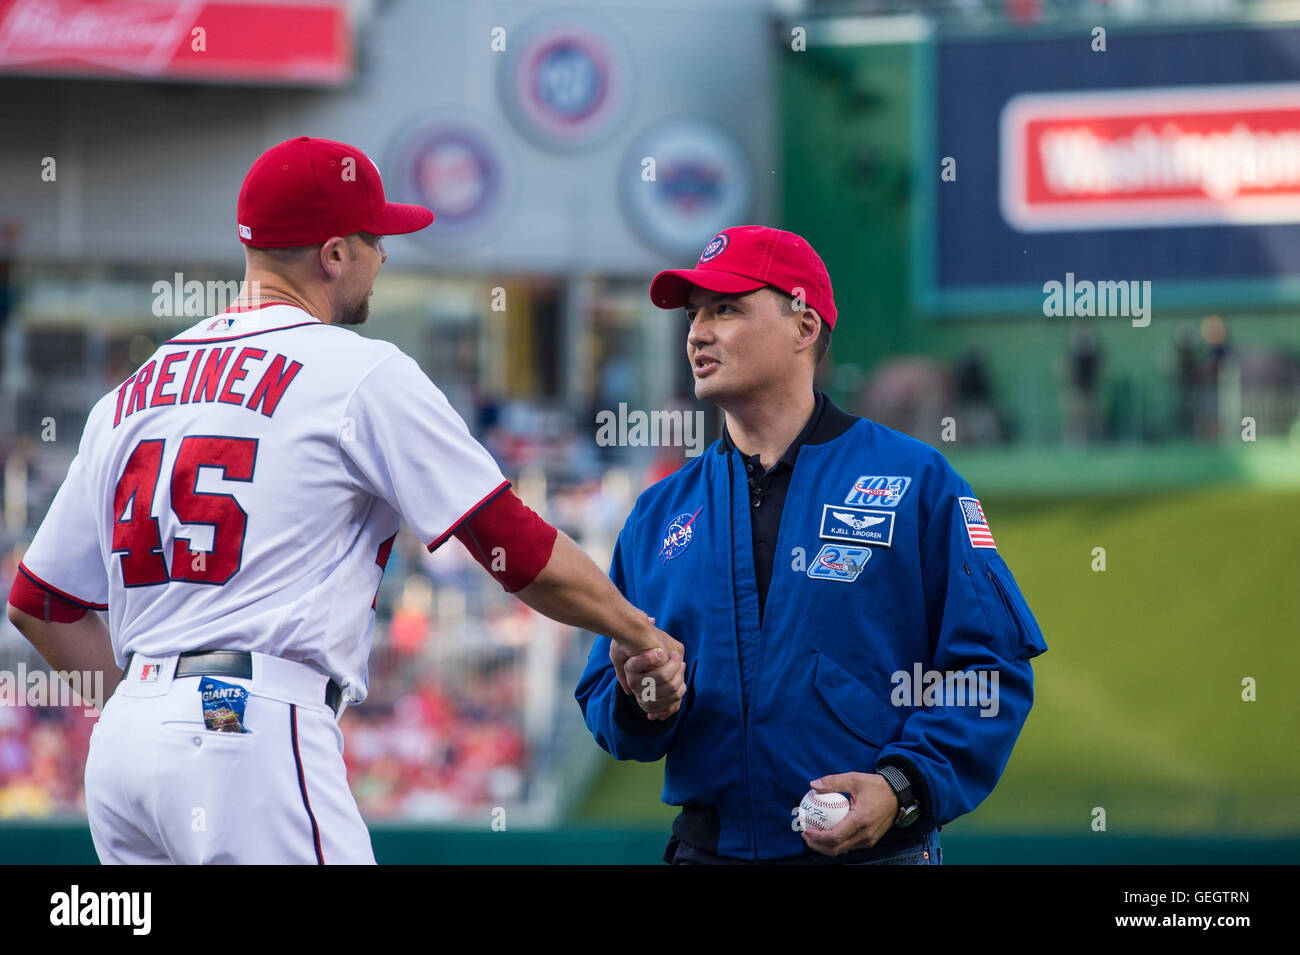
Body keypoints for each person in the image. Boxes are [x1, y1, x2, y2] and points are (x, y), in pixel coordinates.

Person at [6, 136, 680, 865]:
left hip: (125, 752)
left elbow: (38, 600)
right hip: (248, 731)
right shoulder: (360, 372)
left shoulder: (133, 391)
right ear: (333, 254)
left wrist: (148, 706)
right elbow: (510, 543)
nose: (383, 255)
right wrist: (636, 628)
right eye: (374, 238)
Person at [576, 225, 1047, 864]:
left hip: (874, 853)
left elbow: (990, 673)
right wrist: (641, 701)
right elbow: (605, 696)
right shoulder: (659, 513)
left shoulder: (917, 481)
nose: (698, 333)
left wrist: (901, 787)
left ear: (804, 327)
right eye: (694, 315)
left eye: (728, 308)